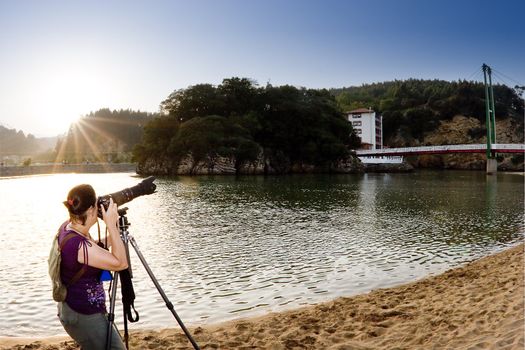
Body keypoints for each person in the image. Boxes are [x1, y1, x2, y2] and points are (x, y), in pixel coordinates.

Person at [57, 184, 128, 349]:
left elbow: (92, 250)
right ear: (90, 210)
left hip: (76, 308)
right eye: (96, 205)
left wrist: (114, 236)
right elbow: (121, 263)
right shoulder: (78, 244)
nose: (99, 208)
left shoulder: (69, 227)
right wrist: (111, 225)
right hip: (82, 315)